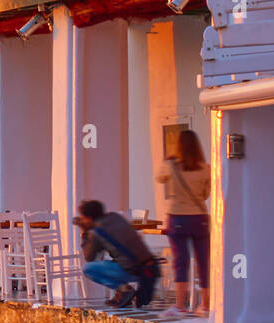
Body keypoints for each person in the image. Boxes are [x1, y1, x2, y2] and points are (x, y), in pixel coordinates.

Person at [155, 129, 211, 313]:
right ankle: (205, 304)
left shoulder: (171, 165)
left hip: (177, 217)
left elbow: (159, 178)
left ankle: (180, 305)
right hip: (199, 218)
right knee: (203, 261)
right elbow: (205, 194)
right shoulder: (205, 168)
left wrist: (170, 161)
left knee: (181, 261)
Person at [74, 199, 159, 308]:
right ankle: (124, 293)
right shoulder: (115, 217)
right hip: (149, 268)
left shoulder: (97, 231)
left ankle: (124, 290)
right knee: (115, 262)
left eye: (83, 217)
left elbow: (89, 257)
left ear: (89, 218)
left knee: (88, 268)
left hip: (132, 270)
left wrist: (84, 233)